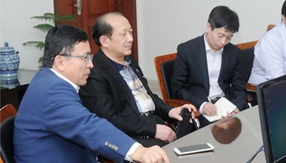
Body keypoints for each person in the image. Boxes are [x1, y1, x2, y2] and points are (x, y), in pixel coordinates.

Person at [14, 25, 171, 163]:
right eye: (85, 58)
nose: (91, 65)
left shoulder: (52, 83)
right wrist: (138, 151)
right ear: (60, 61)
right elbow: (88, 125)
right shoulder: (51, 91)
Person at [79, 12, 197, 145]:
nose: (130, 39)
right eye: (123, 34)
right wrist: (153, 130)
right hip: (130, 137)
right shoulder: (94, 72)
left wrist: (170, 111)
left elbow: (149, 96)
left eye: (131, 32)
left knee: (192, 127)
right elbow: (110, 120)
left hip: (152, 124)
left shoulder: (130, 62)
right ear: (105, 41)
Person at [171, 6, 247, 125]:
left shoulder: (234, 52)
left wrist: (235, 107)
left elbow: (239, 87)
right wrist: (201, 105)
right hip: (201, 106)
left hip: (226, 104)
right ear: (208, 27)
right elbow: (178, 88)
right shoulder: (187, 50)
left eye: (229, 38)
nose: (223, 42)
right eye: (220, 36)